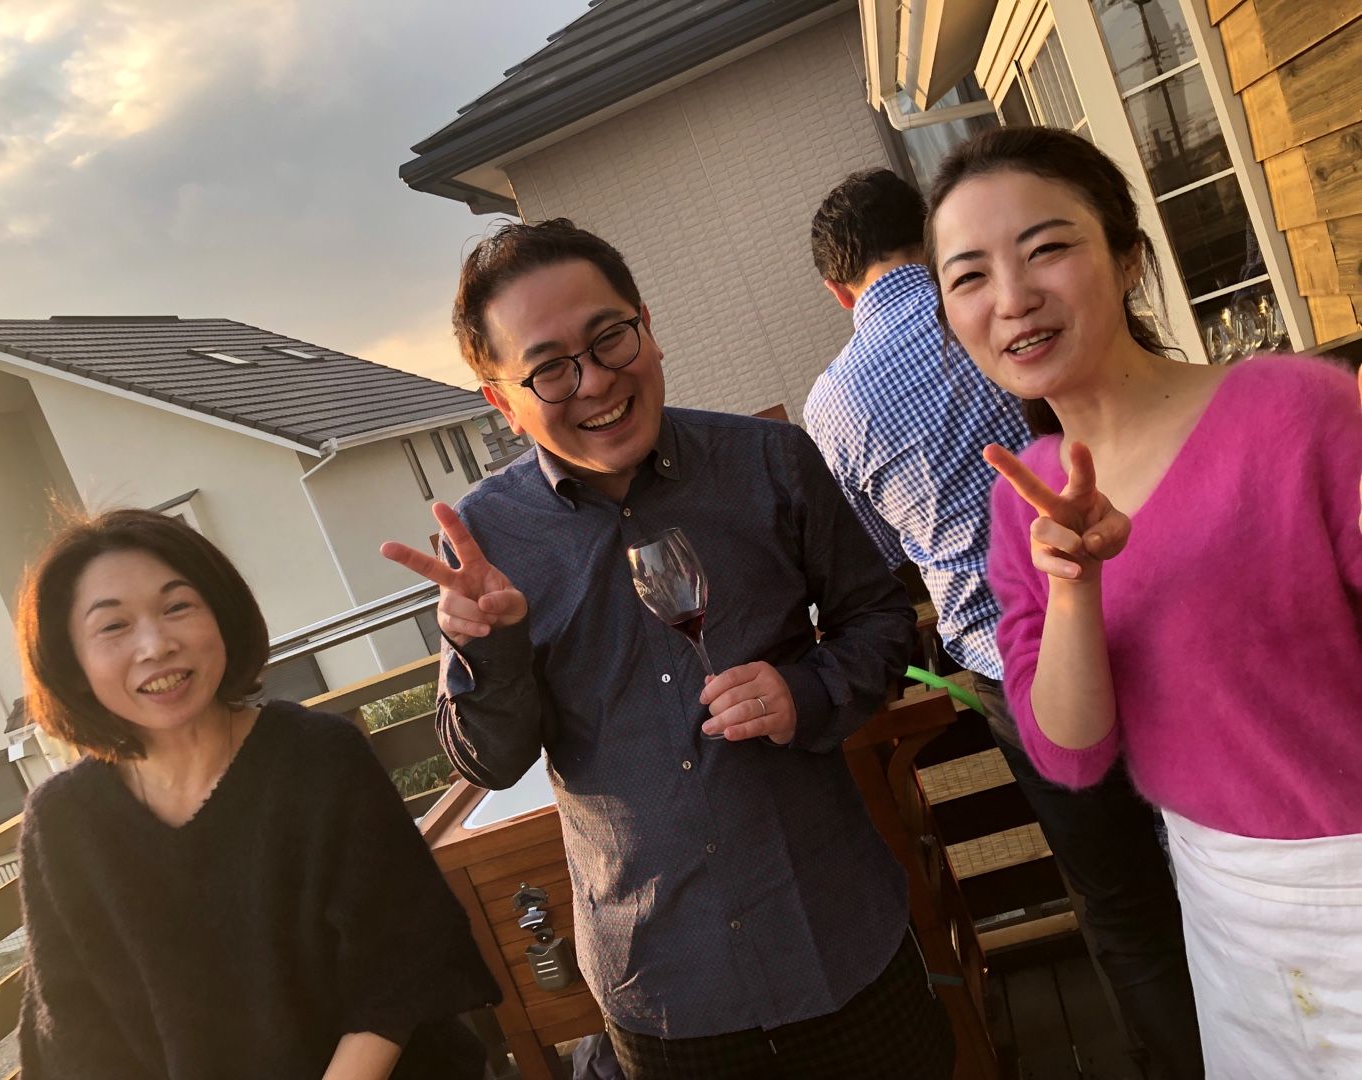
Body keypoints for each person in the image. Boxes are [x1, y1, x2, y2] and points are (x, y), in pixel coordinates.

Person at [380, 219, 954, 1078]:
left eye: (609, 337)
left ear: (646, 325)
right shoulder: (488, 539)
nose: (595, 381)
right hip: (662, 987)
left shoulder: (769, 462)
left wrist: (806, 691)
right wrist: (486, 651)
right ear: (502, 402)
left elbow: (878, 619)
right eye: (549, 368)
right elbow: (489, 762)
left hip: (836, 939)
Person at [926, 126, 1362, 1077]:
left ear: (1128, 258)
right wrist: (1072, 587)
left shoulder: (1294, 410)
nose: (1012, 298)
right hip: (1224, 910)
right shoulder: (1024, 500)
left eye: (1047, 247)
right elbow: (1071, 753)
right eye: (969, 277)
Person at [804, 168, 1202, 1077]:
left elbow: (871, 556)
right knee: (1227, 847)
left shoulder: (836, 402)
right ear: (930, 237)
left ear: (838, 290)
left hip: (1016, 667)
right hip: (1152, 611)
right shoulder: (1005, 317)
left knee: (1122, 903)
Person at [14, 508, 499, 1079]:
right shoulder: (62, 821)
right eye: (113, 626)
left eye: (177, 607)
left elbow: (399, 962)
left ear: (223, 617)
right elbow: (72, 1029)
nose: (156, 645)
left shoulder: (318, 756)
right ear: (71, 662)